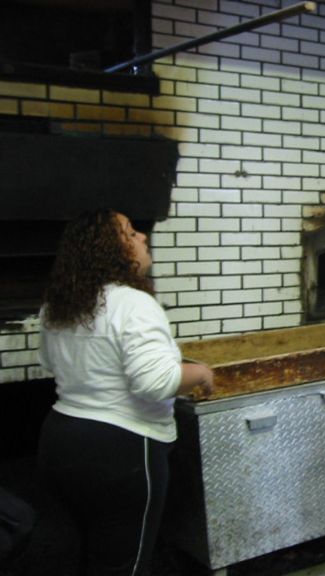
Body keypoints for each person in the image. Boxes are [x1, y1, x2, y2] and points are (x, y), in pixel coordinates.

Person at [36, 210, 214, 576]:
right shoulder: (132, 303)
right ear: (108, 249)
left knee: (85, 555)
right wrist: (201, 373)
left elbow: (49, 363)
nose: (143, 238)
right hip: (122, 451)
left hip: (61, 440)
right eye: (130, 233)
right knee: (125, 565)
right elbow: (154, 382)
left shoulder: (59, 305)